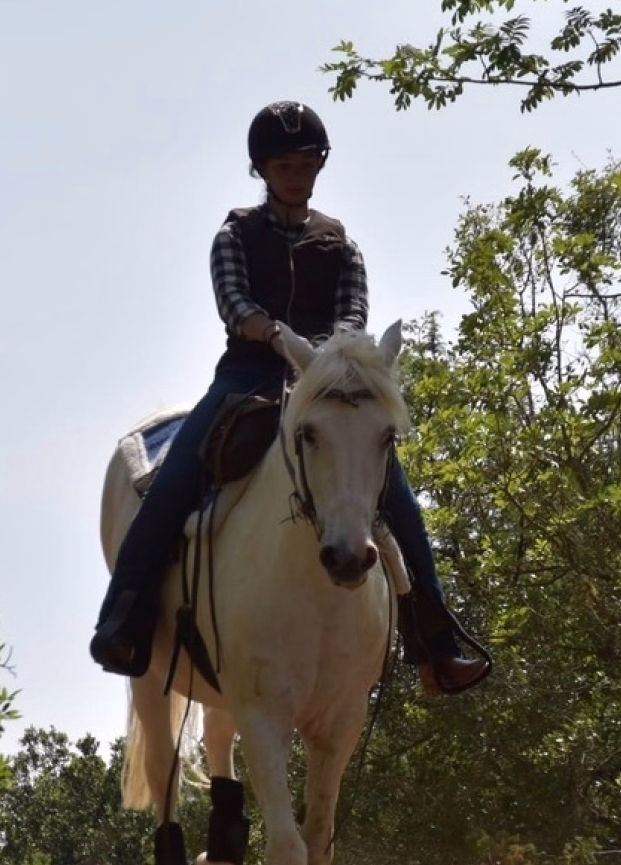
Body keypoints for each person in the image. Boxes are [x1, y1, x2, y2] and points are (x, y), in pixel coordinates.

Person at [89, 100, 491, 697]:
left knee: (398, 497)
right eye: (283, 166)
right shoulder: (234, 235)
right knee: (176, 478)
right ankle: (122, 619)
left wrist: (325, 359)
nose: (296, 175)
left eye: (306, 163)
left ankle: (435, 643)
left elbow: (352, 314)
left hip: (327, 383)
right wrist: (272, 333)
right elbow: (234, 304)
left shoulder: (342, 245)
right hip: (248, 373)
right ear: (262, 171)